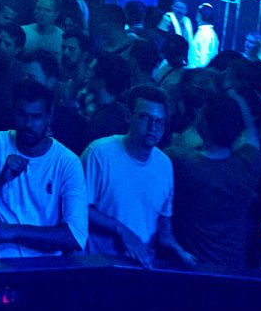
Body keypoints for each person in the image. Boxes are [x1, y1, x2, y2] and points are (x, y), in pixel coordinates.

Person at [0, 79, 88, 259]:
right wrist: (0, 180)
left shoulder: (67, 162)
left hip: (39, 270)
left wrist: (13, 231)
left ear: (48, 117)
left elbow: (75, 236)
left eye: (36, 117)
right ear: (13, 113)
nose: (28, 124)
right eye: (22, 115)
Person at [81, 85, 194, 268]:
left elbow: (163, 223)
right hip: (101, 265)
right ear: (128, 116)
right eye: (144, 117)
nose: (152, 127)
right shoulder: (100, 153)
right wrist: (121, 230)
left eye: (159, 121)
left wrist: (175, 247)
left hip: (142, 266)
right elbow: (78, 208)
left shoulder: (164, 164)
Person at [170, 91, 261, 274]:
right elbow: (251, 131)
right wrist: (237, 98)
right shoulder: (249, 165)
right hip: (233, 268)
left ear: (203, 125)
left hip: (190, 267)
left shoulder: (181, 161)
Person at [188, 2, 219, 68]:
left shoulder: (205, 34)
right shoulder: (206, 32)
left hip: (198, 73)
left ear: (199, 15)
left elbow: (204, 61)